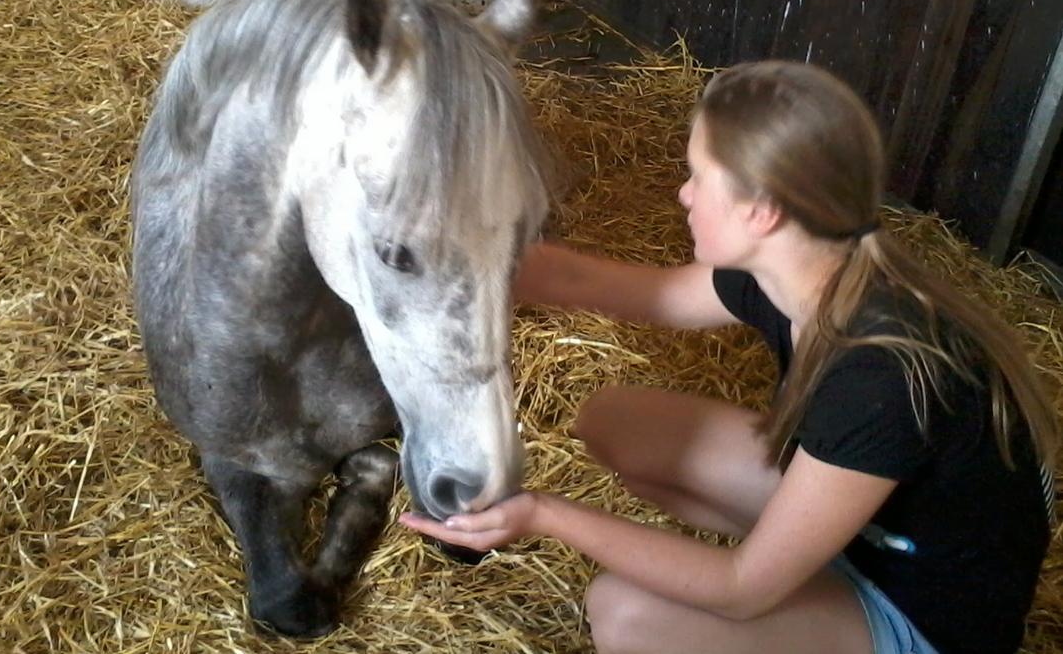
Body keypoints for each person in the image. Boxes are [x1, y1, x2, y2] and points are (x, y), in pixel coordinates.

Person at [399, 61, 1057, 654]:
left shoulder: (880, 376)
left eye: (698, 177)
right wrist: (463, 247)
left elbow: (744, 590)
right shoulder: (802, 265)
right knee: (616, 420)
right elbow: (636, 294)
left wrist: (545, 515)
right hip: (872, 532)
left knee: (624, 614)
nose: (683, 194)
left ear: (763, 211)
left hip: (920, 612)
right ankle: (804, 561)